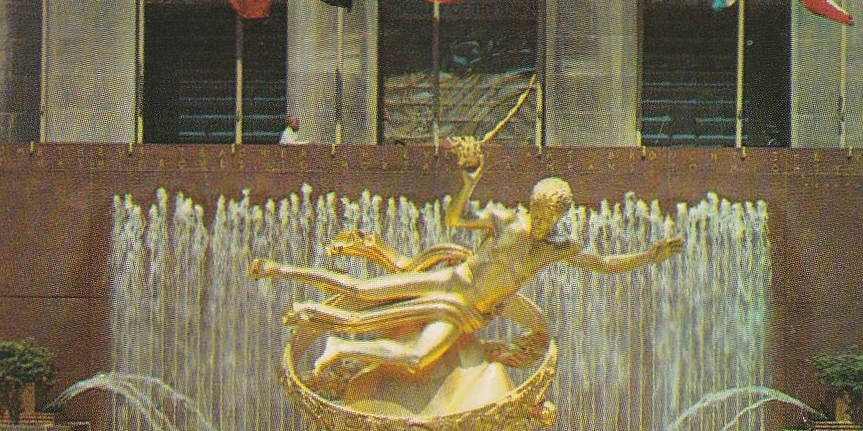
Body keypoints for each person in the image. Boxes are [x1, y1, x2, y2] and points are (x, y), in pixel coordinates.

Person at [249, 136, 684, 382]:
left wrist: (651, 255)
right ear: (533, 205)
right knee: (363, 294)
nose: (551, 218)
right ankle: (280, 270)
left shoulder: (558, 249)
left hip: (468, 313)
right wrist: (469, 182)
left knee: (418, 357)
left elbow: (604, 266)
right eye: (547, 209)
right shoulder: (505, 221)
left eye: (559, 212)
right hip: (450, 282)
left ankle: (342, 346)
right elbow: (455, 216)